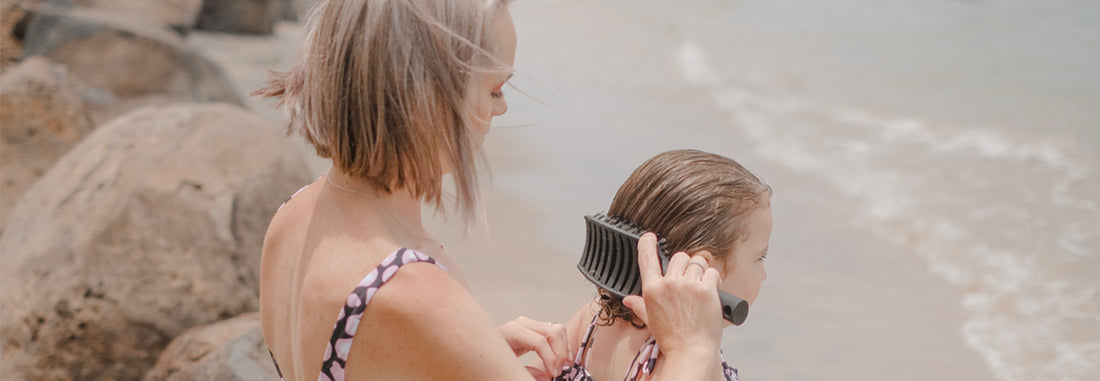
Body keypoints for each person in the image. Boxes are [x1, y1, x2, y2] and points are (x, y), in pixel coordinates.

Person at [254, 1, 727, 380]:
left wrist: (471, 355)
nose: (500, 110)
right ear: (428, 101)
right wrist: (691, 348)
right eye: (495, 89)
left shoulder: (295, 214)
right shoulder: (411, 288)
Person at [555, 149, 774, 381]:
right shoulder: (694, 361)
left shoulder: (595, 317)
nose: (764, 275)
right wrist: (698, 352)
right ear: (704, 269)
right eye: (760, 257)